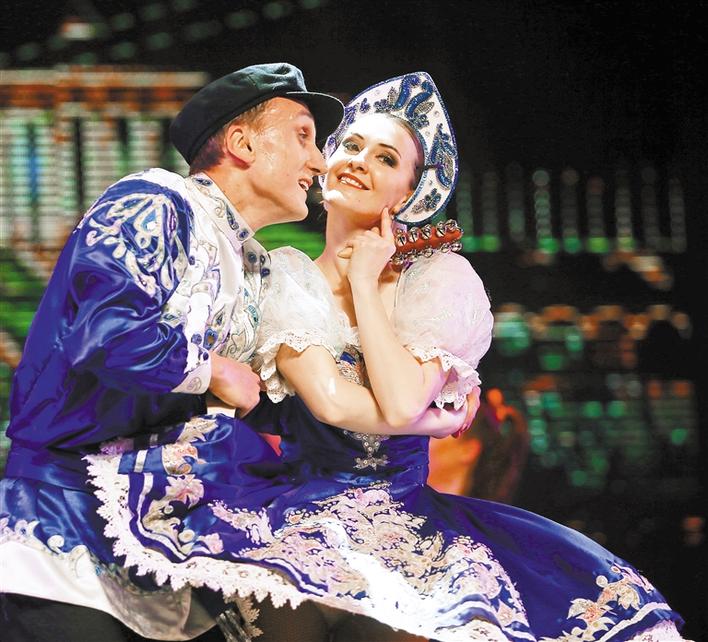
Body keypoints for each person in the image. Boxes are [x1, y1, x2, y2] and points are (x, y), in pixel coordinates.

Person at [85, 72, 687, 642]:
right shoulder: (285, 278)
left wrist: (366, 286)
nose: (358, 161)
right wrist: (434, 419)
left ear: (412, 194)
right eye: (350, 145)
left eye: (386, 158)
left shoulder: (440, 281)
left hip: (410, 538)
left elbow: (397, 401)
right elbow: (335, 403)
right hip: (290, 527)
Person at [0, 62, 347, 641]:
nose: (319, 161)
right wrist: (215, 369)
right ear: (241, 143)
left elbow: (262, 401)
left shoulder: (253, 265)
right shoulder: (155, 203)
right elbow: (105, 335)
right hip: (65, 532)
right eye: (303, 136)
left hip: (165, 538)